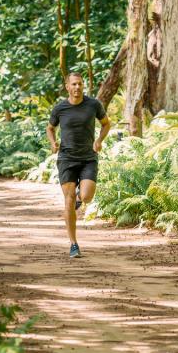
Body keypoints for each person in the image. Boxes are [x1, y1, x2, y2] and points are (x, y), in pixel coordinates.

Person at [46, 72, 111, 258]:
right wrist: (52, 143)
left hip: (88, 157)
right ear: (67, 86)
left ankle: (79, 198)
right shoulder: (60, 108)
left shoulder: (93, 105)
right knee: (68, 200)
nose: (77, 87)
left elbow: (106, 124)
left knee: (87, 195)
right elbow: (50, 128)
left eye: (80, 84)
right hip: (66, 158)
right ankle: (73, 244)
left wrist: (99, 140)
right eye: (74, 84)